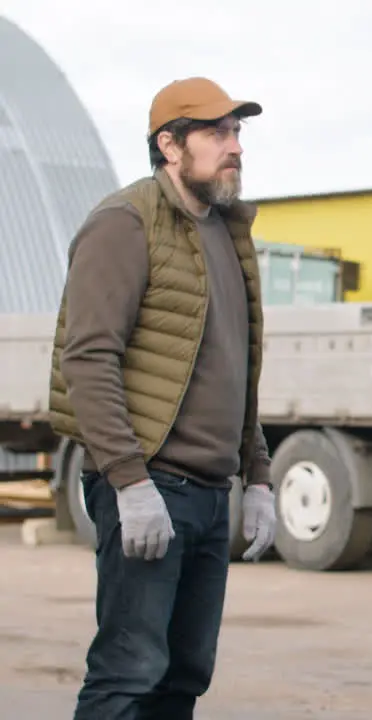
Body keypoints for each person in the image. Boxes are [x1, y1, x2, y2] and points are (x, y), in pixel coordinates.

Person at [46, 76, 279, 720]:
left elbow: (237, 369)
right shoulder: (125, 223)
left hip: (208, 495)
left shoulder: (227, 232)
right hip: (151, 486)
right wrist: (127, 481)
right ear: (169, 146)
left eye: (237, 132)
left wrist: (256, 477)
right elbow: (88, 359)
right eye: (217, 132)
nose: (234, 146)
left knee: (183, 677)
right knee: (129, 674)